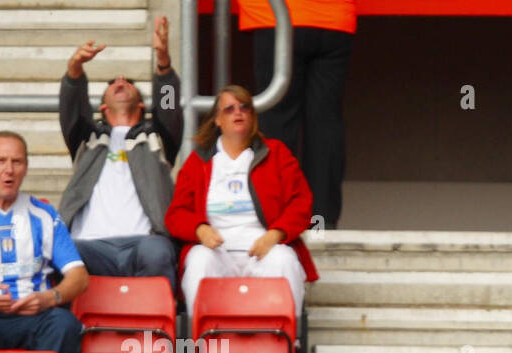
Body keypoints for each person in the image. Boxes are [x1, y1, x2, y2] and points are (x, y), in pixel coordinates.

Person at [166, 84, 317, 319]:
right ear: (217, 120)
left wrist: (275, 235)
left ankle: (287, 343)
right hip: (217, 252)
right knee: (198, 260)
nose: (238, 113)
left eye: (244, 108)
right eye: (229, 109)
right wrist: (200, 229)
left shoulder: (276, 153)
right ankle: (204, 344)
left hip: (263, 249)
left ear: (252, 116)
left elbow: (301, 203)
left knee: (284, 259)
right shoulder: (199, 161)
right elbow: (176, 214)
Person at [59, 16, 180, 286]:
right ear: (102, 107)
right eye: (113, 82)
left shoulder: (158, 137)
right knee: (62, 257)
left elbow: (170, 107)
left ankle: (151, 331)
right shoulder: (87, 138)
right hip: (89, 245)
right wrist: (75, 69)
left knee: (159, 253)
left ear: (142, 104)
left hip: (144, 243)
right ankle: (76, 330)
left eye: (128, 81)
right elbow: (70, 107)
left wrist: (163, 65)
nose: (121, 80)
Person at [0, 132, 88, 353]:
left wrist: (49, 298)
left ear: (26, 167)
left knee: (64, 324)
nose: (9, 170)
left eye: (17, 162)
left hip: (34, 317)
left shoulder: (44, 215)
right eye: (0, 161)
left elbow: (79, 277)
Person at [240, 0, 355, 230]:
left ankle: (276, 219)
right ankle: (321, 222)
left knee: (276, 121)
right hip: (334, 19)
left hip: (274, 15)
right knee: (325, 124)